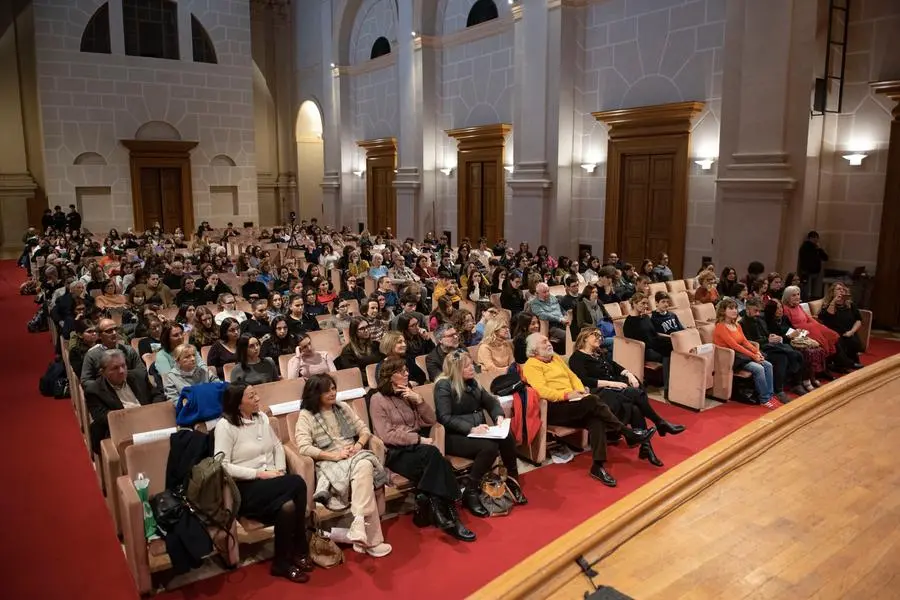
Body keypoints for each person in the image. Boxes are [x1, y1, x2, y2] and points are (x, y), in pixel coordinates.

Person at [522, 334, 654, 486]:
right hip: (553, 407)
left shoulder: (556, 358)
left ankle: (597, 466)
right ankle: (627, 432)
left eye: (547, 340)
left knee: (596, 418)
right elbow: (541, 391)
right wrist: (566, 395)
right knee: (593, 400)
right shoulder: (531, 365)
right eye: (544, 342)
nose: (549, 343)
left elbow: (573, 377)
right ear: (534, 349)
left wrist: (579, 392)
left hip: (574, 402)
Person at [369, 357, 475, 541]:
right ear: (390, 376)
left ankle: (433, 505)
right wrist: (418, 439)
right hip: (395, 453)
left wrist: (419, 401)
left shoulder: (407, 394)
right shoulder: (377, 399)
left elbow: (430, 421)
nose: (407, 373)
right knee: (435, 456)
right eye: (402, 371)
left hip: (418, 451)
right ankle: (451, 513)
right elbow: (385, 435)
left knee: (434, 460)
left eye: (406, 370)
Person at [215, 384, 312, 583]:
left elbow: (277, 446)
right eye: (252, 396)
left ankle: (281, 564)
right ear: (238, 404)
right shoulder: (225, 427)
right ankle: (300, 547)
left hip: (272, 483)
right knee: (297, 482)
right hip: (245, 488)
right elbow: (222, 466)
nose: (258, 398)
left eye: (256, 394)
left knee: (288, 506)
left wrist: (281, 471)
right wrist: (259, 474)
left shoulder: (262, 418)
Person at [294, 374, 392, 557]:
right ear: (315, 393)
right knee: (365, 468)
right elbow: (304, 447)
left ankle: (360, 525)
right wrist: (335, 455)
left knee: (363, 464)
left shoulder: (342, 407)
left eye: (333, 388)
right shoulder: (306, 415)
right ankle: (370, 539)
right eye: (327, 390)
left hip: (354, 453)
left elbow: (363, 430)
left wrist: (357, 446)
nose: (333, 393)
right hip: (329, 461)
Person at [568, 328, 684, 466]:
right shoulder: (577, 357)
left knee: (635, 407)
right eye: (596, 335)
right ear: (585, 337)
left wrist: (628, 374)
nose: (600, 338)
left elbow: (616, 366)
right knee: (635, 394)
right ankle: (659, 423)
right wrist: (613, 383)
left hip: (613, 389)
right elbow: (584, 380)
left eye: (601, 336)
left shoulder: (599, 354)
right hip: (598, 393)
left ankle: (647, 447)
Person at [434, 350, 527, 516]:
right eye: (467, 366)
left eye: (472, 364)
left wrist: (498, 416)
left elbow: (490, 401)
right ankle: (470, 492)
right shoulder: (443, 385)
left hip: (478, 432)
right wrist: (470, 428)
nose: (472, 368)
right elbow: (444, 417)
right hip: (453, 436)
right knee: (489, 447)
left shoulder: (473, 382)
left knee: (507, 436)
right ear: (456, 369)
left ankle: (513, 479)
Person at [83, 349, 165, 453]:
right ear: (103, 372)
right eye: (115, 368)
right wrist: (134, 418)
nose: (121, 371)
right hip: (121, 429)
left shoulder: (139, 376)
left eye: (123, 365)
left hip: (149, 422)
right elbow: (103, 417)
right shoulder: (94, 391)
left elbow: (157, 394)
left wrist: (152, 410)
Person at [713, 298, 778, 409]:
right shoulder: (720, 327)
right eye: (731, 308)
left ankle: (770, 395)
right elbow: (735, 346)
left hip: (741, 355)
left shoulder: (737, 325)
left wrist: (757, 352)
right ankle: (764, 399)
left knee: (768, 365)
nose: (734, 311)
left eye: (735, 308)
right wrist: (754, 356)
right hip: (730, 358)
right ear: (723, 311)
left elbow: (745, 342)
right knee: (759, 368)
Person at [740, 298, 807, 398]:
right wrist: (768, 340)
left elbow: (767, 334)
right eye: (755, 311)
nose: (758, 313)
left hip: (770, 345)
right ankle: (778, 390)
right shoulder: (742, 323)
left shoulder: (760, 319)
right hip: (760, 349)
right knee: (781, 358)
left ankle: (797, 384)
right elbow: (748, 343)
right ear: (747, 310)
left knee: (797, 353)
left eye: (759, 311)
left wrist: (772, 337)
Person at [764, 299, 827, 390]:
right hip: (782, 344)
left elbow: (793, 329)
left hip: (794, 340)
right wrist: (789, 336)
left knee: (813, 348)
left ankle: (811, 377)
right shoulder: (768, 322)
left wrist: (800, 333)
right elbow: (776, 339)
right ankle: (802, 381)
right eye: (777, 308)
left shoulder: (784, 318)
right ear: (771, 310)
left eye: (781, 307)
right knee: (804, 352)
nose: (780, 310)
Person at [781, 285, 847, 370]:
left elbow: (809, 318)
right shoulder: (785, 309)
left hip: (811, 327)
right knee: (823, 341)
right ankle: (828, 369)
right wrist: (811, 328)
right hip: (801, 332)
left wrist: (820, 326)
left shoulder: (799, 306)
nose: (797, 297)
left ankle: (839, 365)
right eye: (793, 295)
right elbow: (791, 326)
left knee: (832, 334)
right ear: (787, 297)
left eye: (798, 294)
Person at [623, 293, 672, 394]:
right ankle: (668, 388)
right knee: (668, 354)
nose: (646, 306)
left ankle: (674, 384)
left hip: (654, 345)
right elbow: (632, 344)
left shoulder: (645, 317)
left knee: (674, 347)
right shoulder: (629, 322)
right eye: (643, 303)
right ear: (634, 304)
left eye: (647, 303)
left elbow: (654, 334)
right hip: (644, 350)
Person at [81, 318, 145, 382]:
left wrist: (122, 374)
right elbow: (86, 381)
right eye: (109, 331)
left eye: (116, 329)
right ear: (99, 335)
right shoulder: (92, 355)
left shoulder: (128, 350)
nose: (114, 333)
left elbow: (142, 371)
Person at [818, 282, 864, 369]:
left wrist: (852, 331)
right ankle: (847, 364)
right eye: (838, 289)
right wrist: (834, 301)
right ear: (832, 292)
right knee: (839, 341)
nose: (841, 291)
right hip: (834, 332)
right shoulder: (827, 305)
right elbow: (828, 316)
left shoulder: (850, 305)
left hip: (848, 331)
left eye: (843, 289)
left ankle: (846, 363)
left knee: (853, 340)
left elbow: (859, 320)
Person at [797, 231, 828, 300]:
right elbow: (807, 260)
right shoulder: (805, 247)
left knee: (815, 292)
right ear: (810, 238)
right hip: (807, 272)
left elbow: (825, 258)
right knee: (806, 291)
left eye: (817, 238)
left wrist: (819, 249)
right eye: (814, 238)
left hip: (815, 272)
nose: (816, 240)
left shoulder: (816, 248)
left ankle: (813, 298)